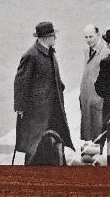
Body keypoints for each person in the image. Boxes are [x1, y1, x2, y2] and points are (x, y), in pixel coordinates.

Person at [14, 21, 73, 164]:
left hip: (53, 110)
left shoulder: (50, 52)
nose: (55, 38)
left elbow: (54, 77)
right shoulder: (31, 55)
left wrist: (61, 87)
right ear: (46, 37)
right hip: (37, 114)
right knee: (34, 147)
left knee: (57, 142)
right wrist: (20, 108)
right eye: (53, 35)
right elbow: (21, 83)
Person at [79, 25, 108, 143]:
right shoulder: (86, 51)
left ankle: (98, 157)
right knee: (87, 133)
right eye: (86, 37)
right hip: (86, 98)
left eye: (91, 36)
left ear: (98, 35)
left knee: (98, 132)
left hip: (98, 98)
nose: (88, 39)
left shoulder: (105, 51)